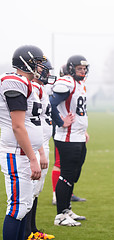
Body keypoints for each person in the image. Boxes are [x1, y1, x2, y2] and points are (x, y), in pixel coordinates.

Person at [0, 45, 44, 240]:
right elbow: (18, 126)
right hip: (17, 153)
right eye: (37, 62)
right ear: (26, 62)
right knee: (17, 207)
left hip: (24, 153)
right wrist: (33, 158)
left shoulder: (27, 84)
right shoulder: (14, 81)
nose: (40, 67)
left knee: (24, 206)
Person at [50, 55, 89, 226]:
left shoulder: (80, 84)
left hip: (78, 136)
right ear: (72, 69)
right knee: (66, 175)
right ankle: (60, 215)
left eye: (85, 68)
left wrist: (84, 129)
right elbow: (50, 104)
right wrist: (60, 121)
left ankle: (67, 209)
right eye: (80, 68)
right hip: (67, 138)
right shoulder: (67, 82)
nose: (83, 71)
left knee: (73, 175)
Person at [25, 59, 56, 240]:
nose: (45, 72)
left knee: (36, 190)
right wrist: (41, 151)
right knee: (30, 190)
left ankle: (33, 229)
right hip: (37, 145)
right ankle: (27, 232)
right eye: (42, 69)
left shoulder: (41, 88)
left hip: (43, 143)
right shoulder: (30, 88)